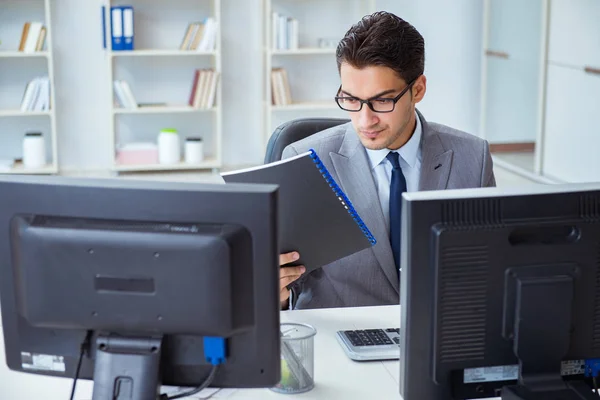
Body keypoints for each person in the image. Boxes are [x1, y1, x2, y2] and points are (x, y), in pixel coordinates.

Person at [278, 11, 496, 310]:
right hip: (341, 338)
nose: (364, 120)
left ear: (417, 89)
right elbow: (293, 286)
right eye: (351, 99)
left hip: (434, 334)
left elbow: (489, 267)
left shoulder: (473, 157)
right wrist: (275, 292)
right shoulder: (305, 161)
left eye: (382, 101)